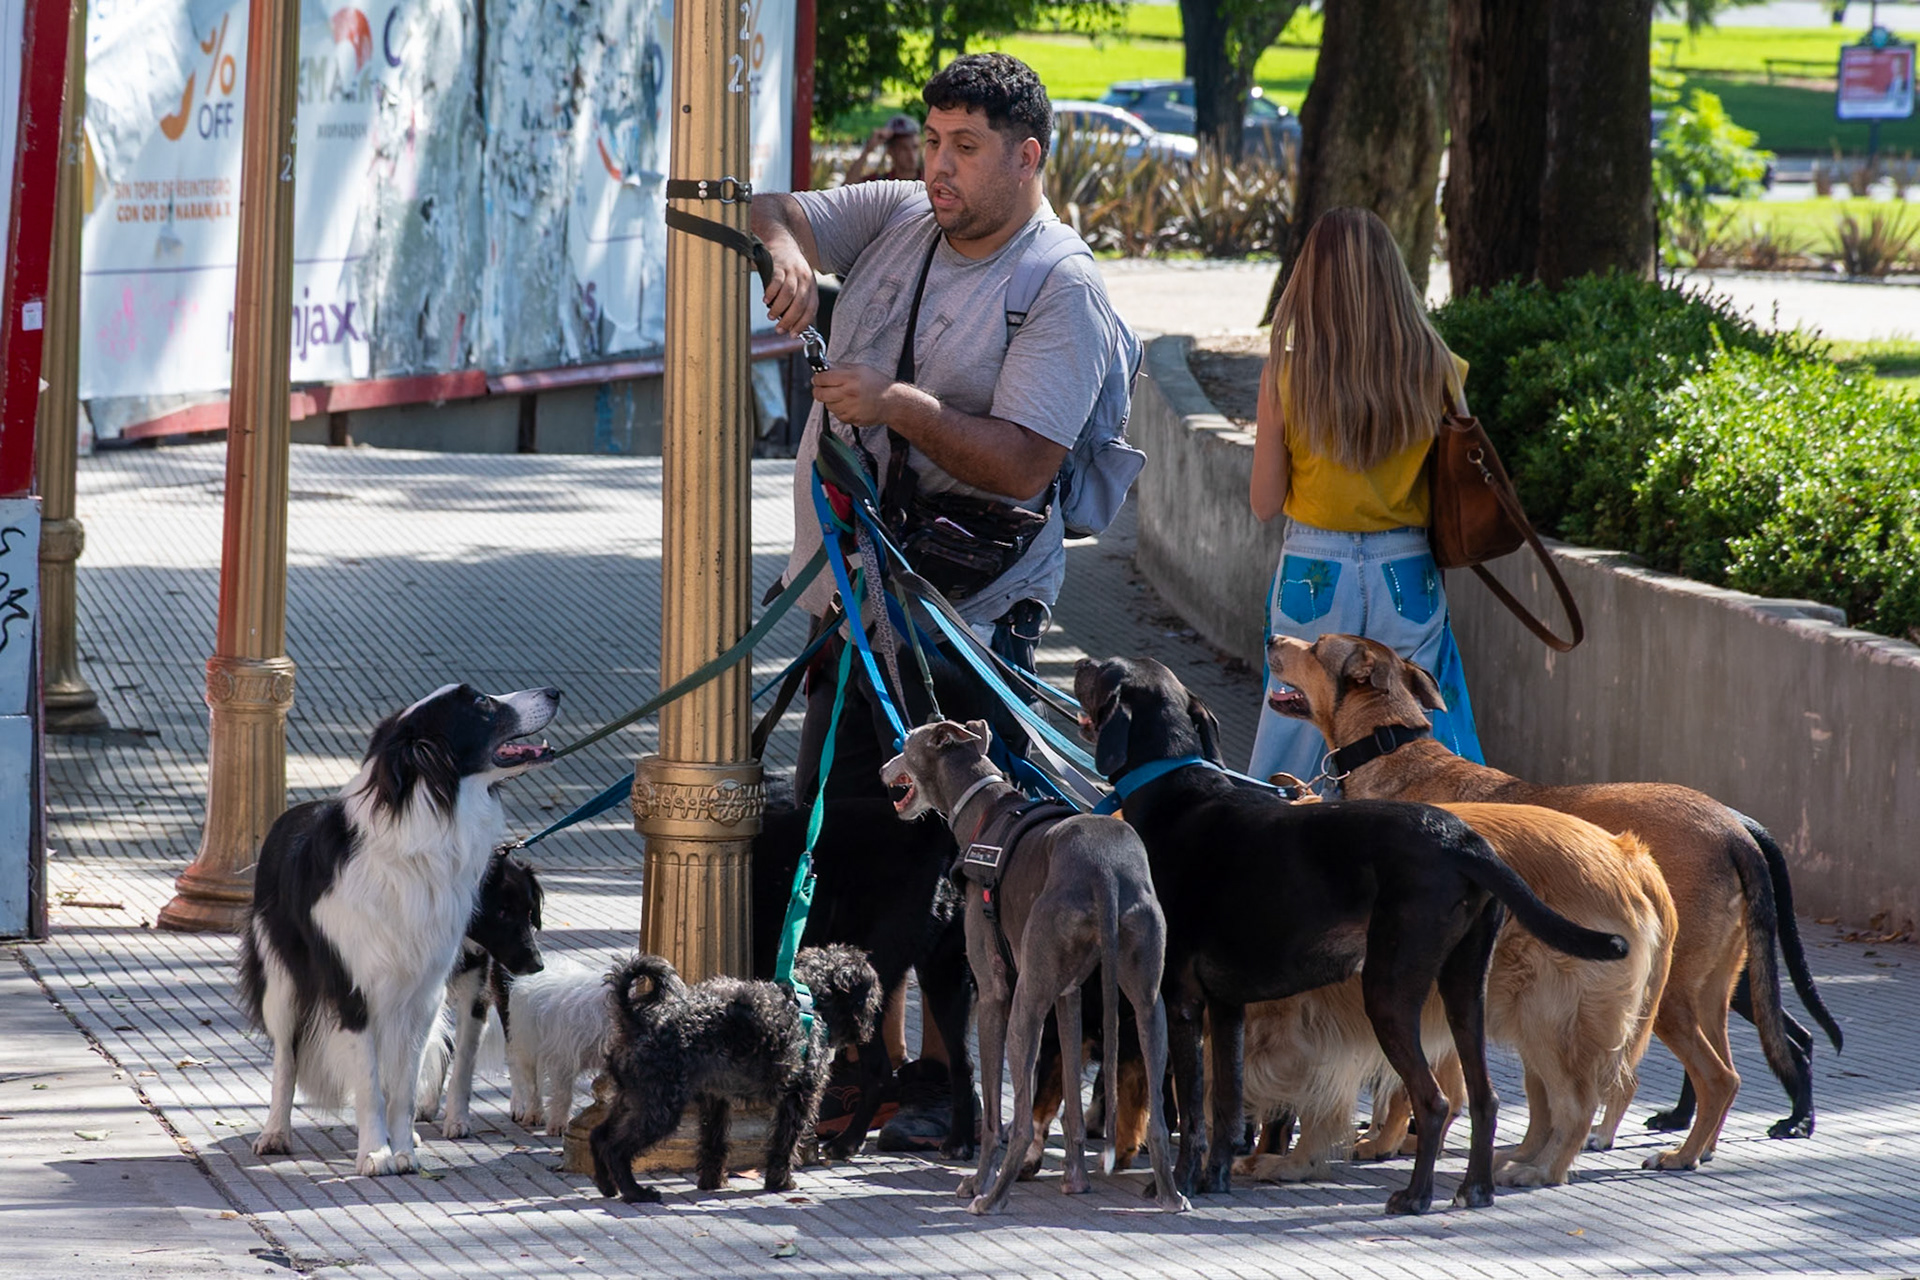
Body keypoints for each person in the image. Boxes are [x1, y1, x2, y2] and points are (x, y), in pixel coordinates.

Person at [752, 54, 1129, 1153]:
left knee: (931, 860)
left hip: (969, 622)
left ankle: (941, 1082)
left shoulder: (1061, 286)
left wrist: (899, 406)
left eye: (967, 148)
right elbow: (782, 208)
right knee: (840, 838)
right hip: (848, 607)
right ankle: (860, 1068)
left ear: (1029, 156)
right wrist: (783, 259)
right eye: (932, 141)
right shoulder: (905, 212)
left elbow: (1022, 463)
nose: (940, 167)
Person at [1246, 207, 1485, 788]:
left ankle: (1276, 861)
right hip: (1407, 574)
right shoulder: (1439, 367)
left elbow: (1264, 501)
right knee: (1422, 738)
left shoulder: (1287, 371)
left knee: (1291, 736)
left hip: (1312, 570)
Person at [843, 113, 924, 184]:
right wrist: (868, 149)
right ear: (890, 151)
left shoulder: (929, 182)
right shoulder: (881, 183)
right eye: (903, 149)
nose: (911, 155)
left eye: (915, 147)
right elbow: (847, 191)